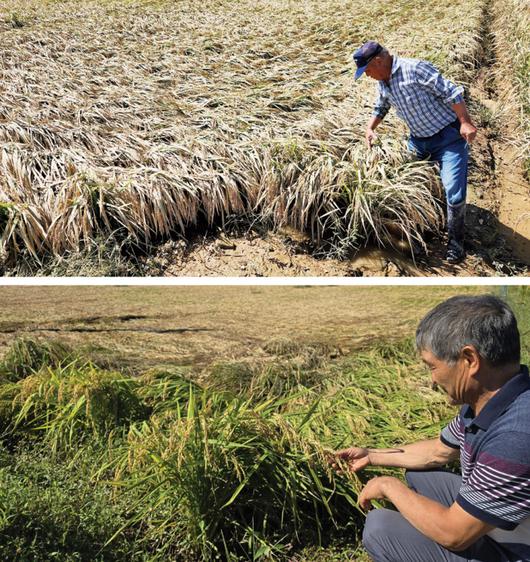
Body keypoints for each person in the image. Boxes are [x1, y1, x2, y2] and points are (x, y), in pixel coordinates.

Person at [331, 295, 530, 561]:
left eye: (432, 366)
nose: (432, 380)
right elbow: (437, 451)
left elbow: (455, 535)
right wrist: (371, 454)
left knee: (380, 529)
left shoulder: (514, 436)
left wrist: (390, 487)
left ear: (470, 359)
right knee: (420, 477)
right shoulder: (490, 398)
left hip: (518, 547)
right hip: (512, 528)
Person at [352, 41, 478, 264]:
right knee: (404, 184)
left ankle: (456, 244)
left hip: (448, 139)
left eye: (368, 71)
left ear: (378, 61)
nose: (368, 76)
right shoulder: (383, 81)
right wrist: (371, 128)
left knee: (455, 194)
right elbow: (382, 106)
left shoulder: (415, 69)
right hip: (419, 142)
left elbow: (452, 93)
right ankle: (419, 233)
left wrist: (465, 122)